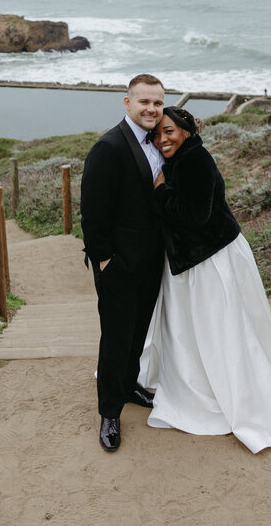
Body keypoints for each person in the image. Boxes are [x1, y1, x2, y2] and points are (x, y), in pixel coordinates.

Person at [138, 106, 271, 453]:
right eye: (157, 134)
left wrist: (160, 192)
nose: (162, 139)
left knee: (219, 328)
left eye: (169, 131)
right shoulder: (182, 159)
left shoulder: (194, 161)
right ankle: (202, 383)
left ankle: (226, 391)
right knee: (198, 329)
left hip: (211, 260)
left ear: (186, 131)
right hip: (196, 259)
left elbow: (195, 217)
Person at [80, 73, 168, 452]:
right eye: (145, 101)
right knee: (116, 337)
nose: (152, 109)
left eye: (158, 103)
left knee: (138, 332)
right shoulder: (109, 147)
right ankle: (110, 412)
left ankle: (129, 384)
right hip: (116, 265)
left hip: (151, 262)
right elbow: (92, 211)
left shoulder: (160, 143)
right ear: (127, 102)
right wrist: (103, 262)